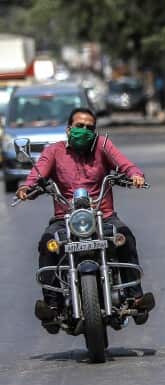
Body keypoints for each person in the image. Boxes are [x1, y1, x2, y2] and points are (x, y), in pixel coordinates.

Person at [17, 106, 154, 328]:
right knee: (48, 244)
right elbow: (38, 173)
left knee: (125, 237)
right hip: (65, 220)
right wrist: (27, 187)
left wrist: (135, 175)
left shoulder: (102, 146)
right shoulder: (54, 151)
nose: (85, 130)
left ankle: (134, 297)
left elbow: (125, 164)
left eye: (90, 127)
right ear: (69, 129)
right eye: (79, 126)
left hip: (103, 217)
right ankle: (52, 306)